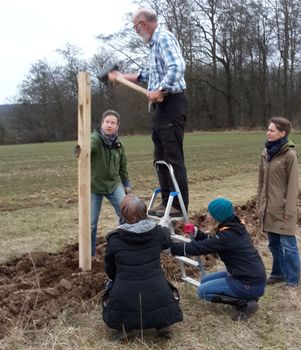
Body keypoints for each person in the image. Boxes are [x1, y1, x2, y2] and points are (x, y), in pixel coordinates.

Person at [108, 8, 188, 218]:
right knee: (160, 157)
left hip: (171, 102)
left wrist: (161, 90)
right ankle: (166, 201)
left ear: (143, 23)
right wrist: (122, 76)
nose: (135, 31)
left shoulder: (163, 37)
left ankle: (179, 205)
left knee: (172, 157)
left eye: (135, 27)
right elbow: (147, 74)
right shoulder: (153, 46)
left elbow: (177, 66)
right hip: (160, 109)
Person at [170, 197, 266, 321]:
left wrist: (170, 247)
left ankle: (246, 302)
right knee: (205, 280)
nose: (208, 215)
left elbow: (200, 248)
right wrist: (196, 233)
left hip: (248, 281)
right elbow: (212, 241)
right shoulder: (232, 226)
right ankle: (246, 294)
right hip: (247, 275)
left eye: (210, 213)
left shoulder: (228, 235)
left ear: (217, 217)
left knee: (202, 291)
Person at [102, 194, 183, 341]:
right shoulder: (157, 232)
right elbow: (166, 243)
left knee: (112, 289)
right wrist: (164, 226)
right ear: (144, 212)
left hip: (125, 293)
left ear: (123, 215)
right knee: (162, 290)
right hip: (156, 291)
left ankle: (124, 329)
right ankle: (162, 325)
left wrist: (117, 280)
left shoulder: (114, 239)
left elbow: (110, 269)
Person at [257, 117, 301, 287]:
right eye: (268, 129)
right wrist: (260, 204)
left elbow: (293, 185)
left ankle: (293, 280)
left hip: (283, 208)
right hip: (269, 208)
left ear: (282, 133)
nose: (268, 132)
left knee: (289, 246)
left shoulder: (290, 155)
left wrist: (288, 210)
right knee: (273, 244)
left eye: (271, 130)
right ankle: (278, 273)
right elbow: (261, 182)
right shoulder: (265, 153)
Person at [90, 109, 131, 256]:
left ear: (117, 126)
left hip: (113, 185)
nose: (109, 125)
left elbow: (123, 166)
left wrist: (126, 184)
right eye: (107, 122)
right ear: (102, 124)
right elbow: (87, 146)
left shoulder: (118, 144)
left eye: (113, 123)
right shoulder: (95, 139)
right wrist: (80, 149)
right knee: (91, 224)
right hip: (94, 187)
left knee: (127, 215)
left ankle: (124, 248)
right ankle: (90, 255)